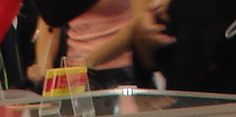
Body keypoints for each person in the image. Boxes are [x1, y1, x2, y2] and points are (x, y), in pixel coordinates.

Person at [32, 0, 173, 87]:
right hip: (76, 73)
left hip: (123, 70)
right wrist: (44, 65)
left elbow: (140, 25)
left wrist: (89, 62)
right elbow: (50, 19)